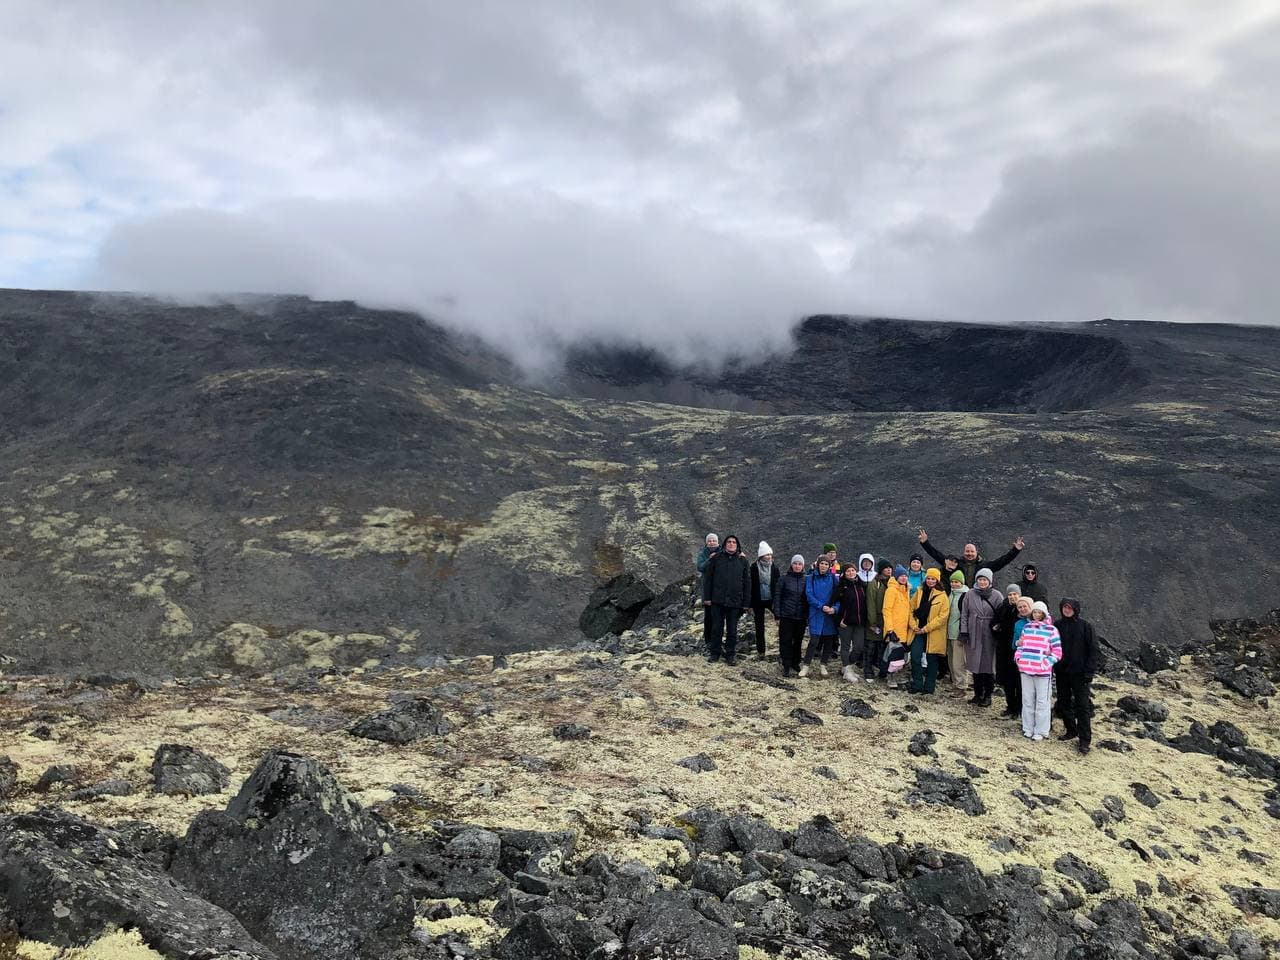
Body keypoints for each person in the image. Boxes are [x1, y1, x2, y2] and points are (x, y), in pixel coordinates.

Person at [1054, 596, 1100, 755]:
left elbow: (1094, 650)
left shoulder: (1085, 627)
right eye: (1064, 607)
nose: (1067, 610)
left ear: (1075, 609)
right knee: (1063, 703)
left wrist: (1089, 671)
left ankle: (1085, 740)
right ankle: (1071, 730)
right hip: (1062, 672)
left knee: (1082, 706)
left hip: (1080, 674)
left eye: (1070, 607)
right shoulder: (1056, 626)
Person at [1016, 600, 1062, 741]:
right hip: (1026, 670)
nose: (1036, 614)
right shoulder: (1027, 628)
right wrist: (1019, 659)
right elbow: (1020, 646)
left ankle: (1041, 730)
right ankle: (1028, 728)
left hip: (1043, 672)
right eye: (1034, 612)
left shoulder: (1052, 630)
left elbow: (1057, 652)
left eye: (1039, 612)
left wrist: (1045, 664)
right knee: (1027, 700)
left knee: (1042, 701)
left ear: (1044, 614)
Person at [701, 534, 750, 665]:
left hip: (735, 602)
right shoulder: (716, 558)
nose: (731, 544)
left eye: (734, 542)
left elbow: (747, 582)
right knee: (716, 628)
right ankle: (715, 653)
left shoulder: (743, 561)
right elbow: (708, 579)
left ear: (737, 545)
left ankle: (730, 655)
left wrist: (746, 603)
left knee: (732, 630)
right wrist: (707, 598)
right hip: (717, 600)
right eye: (729, 542)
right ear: (724, 544)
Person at [959, 568, 1003, 707]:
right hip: (974, 631)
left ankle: (988, 695)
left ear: (989, 581)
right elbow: (964, 614)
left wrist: (998, 628)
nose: (982, 582)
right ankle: (977, 694)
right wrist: (964, 631)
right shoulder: (970, 594)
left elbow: (1001, 615)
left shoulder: (997, 595)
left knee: (988, 665)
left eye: (985, 580)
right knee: (974, 664)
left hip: (989, 633)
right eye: (980, 579)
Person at [917, 529, 1025, 586]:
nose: (969, 553)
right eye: (967, 551)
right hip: (959, 595)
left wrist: (1015, 550)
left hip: (977, 596)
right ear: (964, 552)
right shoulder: (957, 564)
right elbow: (937, 555)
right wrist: (925, 543)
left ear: (976, 552)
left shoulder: (984, 566)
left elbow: (1003, 561)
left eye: (972, 551)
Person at [909, 568, 950, 695]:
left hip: (933, 632)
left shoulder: (943, 596)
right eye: (928, 578)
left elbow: (942, 617)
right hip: (918, 630)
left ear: (937, 580)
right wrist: (913, 625)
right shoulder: (919, 592)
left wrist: (926, 628)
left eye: (933, 579)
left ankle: (929, 688)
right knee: (915, 656)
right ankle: (917, 684)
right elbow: (910, 609)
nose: (930, 581)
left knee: (932, 660)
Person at [800, 557, 840, 677]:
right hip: (816, 613)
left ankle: (823, 665)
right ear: (818, 565)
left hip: (829, 614)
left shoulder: (833, 578)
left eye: (826, 564)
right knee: (814, 640)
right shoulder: (810, 578)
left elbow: (838, 596)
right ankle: (806, 665)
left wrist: (835, 609)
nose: (823, 566)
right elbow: (809, 595)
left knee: (828, 640)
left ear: (829, 566)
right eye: (821, 563)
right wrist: (821, 606)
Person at [772, 555, 809, 677]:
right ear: (791, 565)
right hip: (786, 615)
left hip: (801, 616)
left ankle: (795, 662)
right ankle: (786, 664)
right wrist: (777, 615)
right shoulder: (784, 579)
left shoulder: (807, 580)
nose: (797, 566)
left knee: (798, 641)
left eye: (799, 564)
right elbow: (777, 596)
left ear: (803, 566)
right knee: (785, 641)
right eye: (795, 564)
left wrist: (808, 615)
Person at [991, 584, 1024, 719]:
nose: (1012, 596)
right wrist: (996, 629)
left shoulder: (1023, 608)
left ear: (1019, 595)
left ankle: (1019, 709)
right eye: (1010, 594)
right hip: (1004, 649)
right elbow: (994, 622)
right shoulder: (1003, 607)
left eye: (1015, 594)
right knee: (1007, 681)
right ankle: (1010, 707)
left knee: (1019, 682)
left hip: (1018, 650)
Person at [880, 565, 913, 687]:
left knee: (900, 655)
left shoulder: (905, 591)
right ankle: (890, 677)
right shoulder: (892, 590)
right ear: (896, 577)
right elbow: (886, 610)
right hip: (894, 629)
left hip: (904, 629)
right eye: (901, 576)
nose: (903, 578)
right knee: (893, 655)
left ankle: (898, 675)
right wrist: (890, 630)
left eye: (905, 576)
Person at [834, 563, 868, 682]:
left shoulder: (861, 585)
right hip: (845, 623)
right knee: (845, 646)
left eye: (853, 570)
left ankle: (847, 666)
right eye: (848, 571)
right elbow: (832, 604)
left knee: (858, 647)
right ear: (844, 573)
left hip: (859, 622)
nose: (851, 573)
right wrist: (838, 620)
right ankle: (847, 670)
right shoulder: (841, 587)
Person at [863, 559, 893, 681]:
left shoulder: (892, 583)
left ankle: (881, 670)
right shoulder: (874, 583)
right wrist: (872, 622)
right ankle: (868, 670)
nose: (889, 570)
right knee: (870, 646)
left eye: (890, 568)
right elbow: (870, 603)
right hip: (875, 619)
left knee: (882, 647)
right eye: (886, 568)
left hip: (887, 621)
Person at [749, 542, 780, 660]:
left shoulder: (774, 567)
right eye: (766, 554)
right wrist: (750, 603)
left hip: (771, 599)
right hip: (758, 600)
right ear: (761, 556)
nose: (769, 557)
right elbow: (751, 585)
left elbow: (777, 585)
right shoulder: (754, 567)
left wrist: (777, 601)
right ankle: (761, 651)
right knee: (759, 626)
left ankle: (782, 648)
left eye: (770, 554)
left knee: (780, 621)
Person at [945, 571, 970, 698]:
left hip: (958, 633)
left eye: (957, 582)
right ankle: (955, 683)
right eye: (952, 582)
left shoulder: (966, 595)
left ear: (962, 583)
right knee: (951, 660)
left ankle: (961, 686)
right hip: (949, 632)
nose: (954, 584)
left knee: (959, 662)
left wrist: (964, 632)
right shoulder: (952, 594)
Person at [696, 533, 719, 647]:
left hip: (720, 590)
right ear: (706, 542)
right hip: (707, 589)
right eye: (709, 541)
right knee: (708, 617)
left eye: (714, 540)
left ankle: (717, 640)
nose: (712, 542)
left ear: (717, 542)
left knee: (719, 617)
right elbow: (700, 567)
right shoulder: (703, 554)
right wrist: (709, 560)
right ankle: (708, 641)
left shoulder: (722, 552)